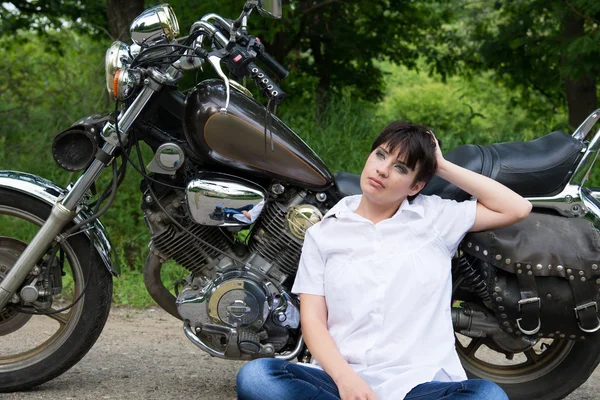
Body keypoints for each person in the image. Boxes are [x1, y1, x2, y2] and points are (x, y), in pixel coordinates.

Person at [236, 121, 532, 400]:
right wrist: (346, 380)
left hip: (420, 384)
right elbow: (313, 320)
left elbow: (517, 208)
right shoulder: (325, 232)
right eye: (381, 155)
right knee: (258, 377)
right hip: (341, 383)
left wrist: (439, 165)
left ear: (416, 186)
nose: (382, 170)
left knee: (488, 396)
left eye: (400, 168)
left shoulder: (435, 219)